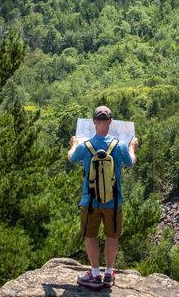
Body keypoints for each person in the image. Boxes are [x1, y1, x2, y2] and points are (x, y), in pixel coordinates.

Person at [67, 105, 139, 290]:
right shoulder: (119, 145)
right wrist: (132, 148)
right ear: (111, 122)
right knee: (111, 236)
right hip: (114, 202)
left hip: (89, 201)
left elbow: (71, 158)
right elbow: (130, 162)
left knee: (90, 236)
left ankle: (94, 274)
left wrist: (73, 144)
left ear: (94, 122)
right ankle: (108, 273)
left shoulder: (85, 146)